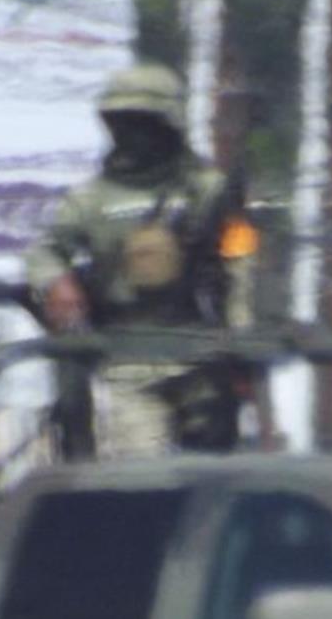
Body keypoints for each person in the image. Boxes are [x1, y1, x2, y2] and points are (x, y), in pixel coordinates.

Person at [23, 62, 258, 459]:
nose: (135, 135)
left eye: (146, 122)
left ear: (170, 125)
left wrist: (242, 341)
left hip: (202, 357)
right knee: (139, 476)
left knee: (215, 475)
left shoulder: (208, 191)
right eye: (125, 122)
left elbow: (238, 264)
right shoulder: (90, 200)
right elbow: (45, 250)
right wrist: (55, 281)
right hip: (127, 361)